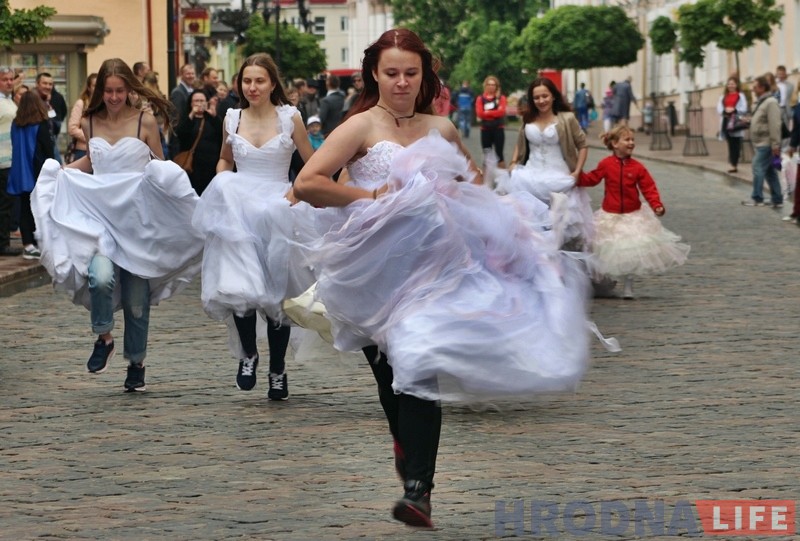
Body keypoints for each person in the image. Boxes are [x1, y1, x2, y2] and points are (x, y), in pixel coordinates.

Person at [294, 28, 597, 528]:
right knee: (390, 377)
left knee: (418, 361)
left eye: (411, 73)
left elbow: (473, 187)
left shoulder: (442, 128)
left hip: (434, 269)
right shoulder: (359, 126)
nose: (401, 82)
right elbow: (308, 183)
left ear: (424, 76)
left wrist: (501, 225)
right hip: (372, 272)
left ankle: (419, 490)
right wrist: (372, 197)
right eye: (392, 72)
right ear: (375, 74)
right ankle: (406, 446)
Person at [31, 58, 204, 392]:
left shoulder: (144, 121)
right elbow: (94, 161)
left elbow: (159, 165)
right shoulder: (90, 121)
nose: (113, 97)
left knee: (137, 301)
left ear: (129, 90)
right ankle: (104, 336)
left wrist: (177, 198)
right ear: (100, 91)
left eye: (119, 91)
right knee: (99, 277)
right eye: (108, 91)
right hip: (100, 219)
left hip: (137, 221)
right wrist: (62, 174)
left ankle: (136, 363)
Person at [191, 53, 316, 400]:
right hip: (239, 209)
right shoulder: (232, 118)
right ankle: (248, 354)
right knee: (241, 287)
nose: (253, 87)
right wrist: (223, 182)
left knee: (277, 293)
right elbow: (224, 159)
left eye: (259, 80)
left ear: (272, 83)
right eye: (247, 81)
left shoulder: (290, 117)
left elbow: (311, 162)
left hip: (277, 209)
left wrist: (297, 192)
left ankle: (278, 368)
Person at [577, 125, 690, 299]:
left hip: (633, 215)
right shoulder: (606, 164)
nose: (631, 143)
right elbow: (592, 179)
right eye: (627, 139)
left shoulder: (637, 167)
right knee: (607, 249)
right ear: (615, 144)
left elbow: (648, 188)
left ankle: (628, 286)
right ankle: (604, 281)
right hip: (610, 215)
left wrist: (657, 205)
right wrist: (577, 176)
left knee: (630, 251)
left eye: (632, 140)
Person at [500, 77, 591, 250]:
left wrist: (577, 171)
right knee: (531, 225)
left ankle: (559, 259)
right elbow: (520, 142)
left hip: (559, 178)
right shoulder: (528, 118)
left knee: (559, 227)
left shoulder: (567, 118)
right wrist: (513, 162)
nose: (541, 101)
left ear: (553, 96)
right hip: (529, 177)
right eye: (536, 97)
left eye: (545, 96)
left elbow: (583, 145)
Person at [9, 91, 54, 259]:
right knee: (40, 208)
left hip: (20, 171)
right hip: (37, 171)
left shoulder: (16, 124)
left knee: (24, 208)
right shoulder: (41, 124)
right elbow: (48, 150)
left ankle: (28, 244)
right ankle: (40, 242)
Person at [742, 75, 783, 208]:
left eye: (755, 87)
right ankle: (777, 199)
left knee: (757, 167)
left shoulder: (771, 102)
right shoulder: (761, 102)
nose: (753, 89)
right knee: (770, 171)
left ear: (762, 87)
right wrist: (749, 121)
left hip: (766, 142)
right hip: (760, 142)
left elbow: (775, 125)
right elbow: (761, 120)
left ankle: (757, 198)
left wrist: (775, 145)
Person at [176, 89, 222, 195]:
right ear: (191, 103)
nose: (199, 104)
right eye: (196, 101)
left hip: (210, 165)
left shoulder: (211, 118)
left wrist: (214, 116)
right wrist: (192, 114)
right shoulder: (187, 118)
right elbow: (181, 134)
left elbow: (221, 134)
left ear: (206, 102)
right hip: (192, 165)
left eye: (202, 101)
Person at [0, 65, 22, 256]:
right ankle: (2, 244)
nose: (9, 82)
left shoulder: (9, 101)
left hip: (10, 160)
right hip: (2, 161)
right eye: (4, 79)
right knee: (4, 204)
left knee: (7, 202)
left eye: (11, 79)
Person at [717, 77, 749, 174]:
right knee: (730, 142)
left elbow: (744, 108)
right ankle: (732, 162)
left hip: (736, 120)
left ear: (736, 85)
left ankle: (734, 164)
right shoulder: (723, 96)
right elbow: (719, 107)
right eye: (729, 84)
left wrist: (734, 110)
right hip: (726, 121)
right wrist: (724, 111)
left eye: (733, 84)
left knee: (736, 142)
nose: (731, 86)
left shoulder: (740, 95)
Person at [35, 72, 67, 164]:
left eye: (50, 84)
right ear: (37, 84)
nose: (48, 86)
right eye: (44, 83)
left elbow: (63, 111)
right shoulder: (32, 99)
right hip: (36, 142)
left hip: (51, 138)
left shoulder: (57, 97)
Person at [475, 75, 507, 168]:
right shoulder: (480, 98)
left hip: (498, 128)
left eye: (493, 85)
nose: (491, 87)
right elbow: (480, 113)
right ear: (485, 85)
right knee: (487, 155)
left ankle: (502, 175)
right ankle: (487, 176)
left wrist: (488, 113)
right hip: (485, 129)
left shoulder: (501, 98)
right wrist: (494, 113)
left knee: (499, 155)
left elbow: (501, 112)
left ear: (496, 86)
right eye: (489, 84)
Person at [67, 73, 98, 163]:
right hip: (83, 151)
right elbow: (72, 128)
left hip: (100, 152)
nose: (97, 89)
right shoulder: (81, 103)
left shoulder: (105, 104)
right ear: (89, 87)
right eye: (94, 86)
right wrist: (91, 138)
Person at [169, 64, 197, 158]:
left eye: (192, 73)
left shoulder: (191, 90)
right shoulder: (178, 92)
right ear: (181, 75)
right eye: (188, 74)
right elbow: (178, 117)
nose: (191, 76)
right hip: (180, 139)